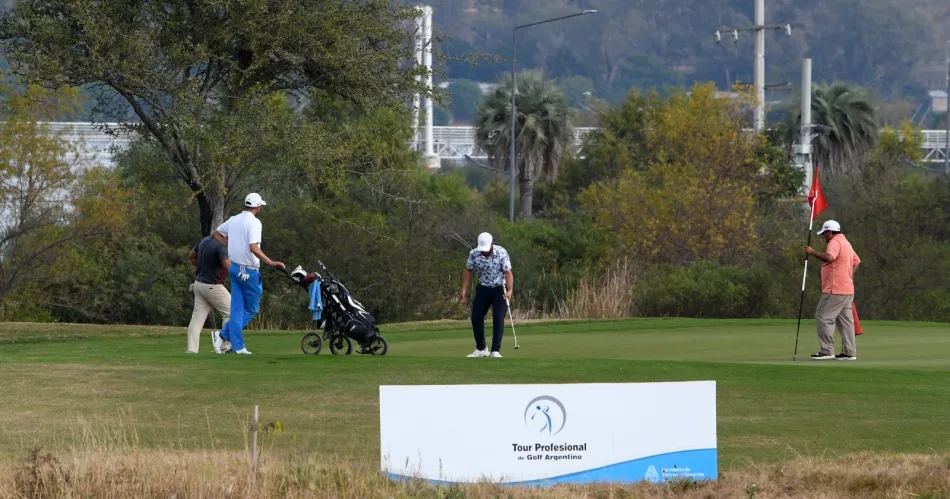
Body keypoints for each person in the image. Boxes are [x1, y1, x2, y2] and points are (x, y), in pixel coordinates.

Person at [211, 193, 285, 355]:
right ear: (257, 207)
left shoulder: (233, 219)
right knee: (251, 309)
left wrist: (231, 245)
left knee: (237, 309)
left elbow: (216, 233)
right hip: (248, 271)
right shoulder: (255, 223)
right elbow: (253, 247)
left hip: (234, 268)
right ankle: (223, 335)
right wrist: (271, 262)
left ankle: (236, 346)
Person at [805, 220, 861, 361]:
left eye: (825, 233)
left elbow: (830, 257)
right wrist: (848, 276)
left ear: (830, 232)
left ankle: (827, 350)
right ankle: (849, 352)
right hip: (847, 289)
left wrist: (812, 252)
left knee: (823, 316)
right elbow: (856, 261)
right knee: (845, 321)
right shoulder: (846, 242)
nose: (824, 236)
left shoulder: (835, 241)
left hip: (835, 289)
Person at [459, 232, 513, 358]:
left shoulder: (501, 252)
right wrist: (463, 290)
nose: (484, 252)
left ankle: (495, 350)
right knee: (476, 317)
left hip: (500, 289)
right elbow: (468, 270)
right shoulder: (474, 254)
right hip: (483, 288)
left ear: (491, 244)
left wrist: (510, 290)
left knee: (498, 318)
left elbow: (508, 272)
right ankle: (481, 348)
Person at [185, 235, 231, 353]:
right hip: (213, 285)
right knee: (231, 313)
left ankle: (191, 350)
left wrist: (204, 267)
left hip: (199, 284)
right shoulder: (221, 245)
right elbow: (227, 264)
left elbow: (191, 256)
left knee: (197, 319)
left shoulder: (205, 240)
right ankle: (225, 346)